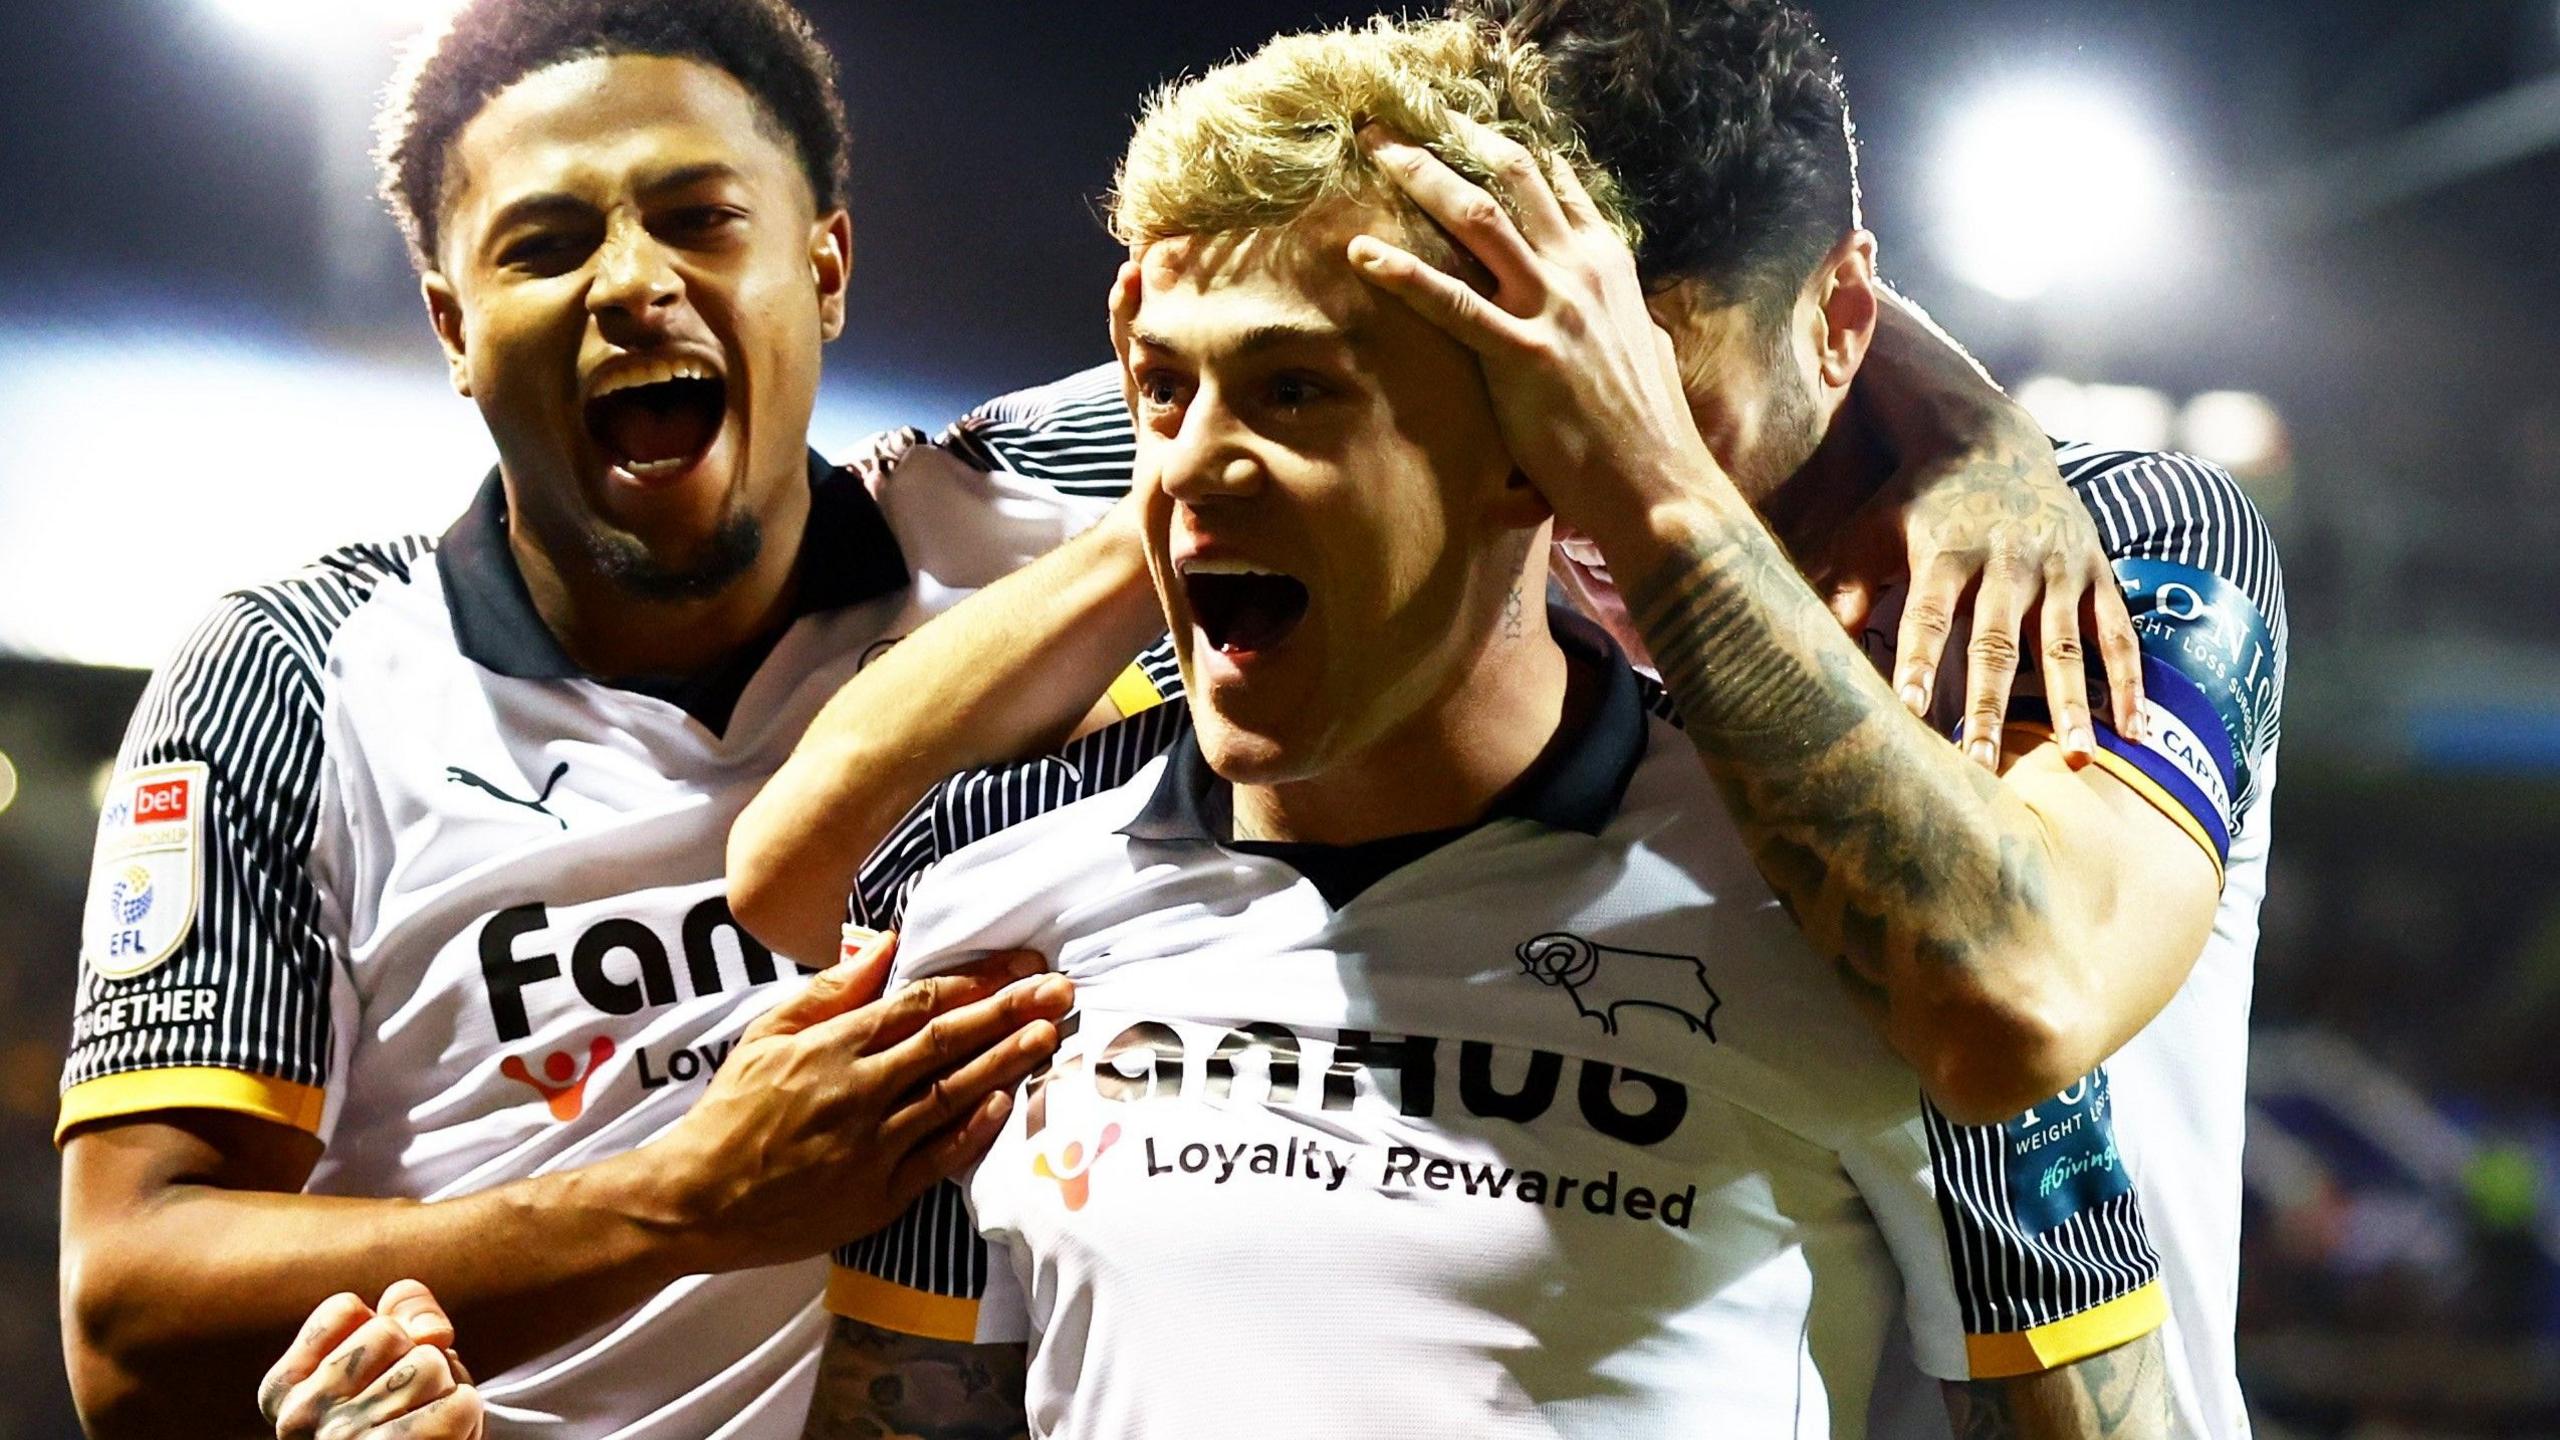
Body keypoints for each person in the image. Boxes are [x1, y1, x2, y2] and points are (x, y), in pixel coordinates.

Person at [779, 18, 2178, 1435]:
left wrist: (1965, 433)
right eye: (1163, 386)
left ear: (1538, 451)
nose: (1197, 452)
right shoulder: (987, 906)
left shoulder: (1867, 932)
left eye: (1297, 389)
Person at [55, 4, 1099, 1436]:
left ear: (827, 264)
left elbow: (1388, 349)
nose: (632, 282)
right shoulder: (299, 676)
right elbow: (125, 1314)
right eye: (544, 246)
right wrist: (687, 1202)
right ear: (454, 329)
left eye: (701, 218)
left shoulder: (1050, 521)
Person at [1364, 1, 2284, 1433]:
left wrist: (1674, 487)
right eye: (1531, 393)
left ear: (1845, 318)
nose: (1571, 473)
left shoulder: (2108, 539)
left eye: (1648, 402)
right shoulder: (1474, 528)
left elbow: (2012, 1004)